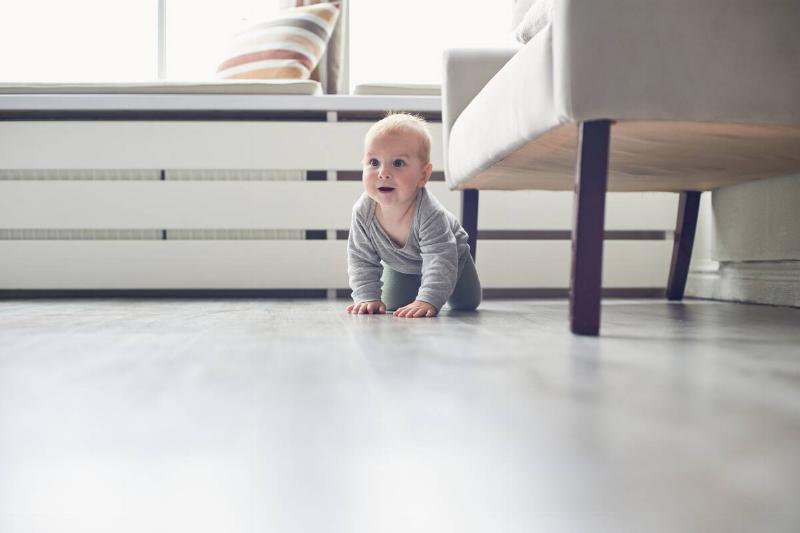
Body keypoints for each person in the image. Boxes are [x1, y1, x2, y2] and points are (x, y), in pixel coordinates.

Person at [346, 112, 481, 318]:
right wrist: (366, 297)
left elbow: (439, 259)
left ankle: (435, 291)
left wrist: (428, 300)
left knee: (466, 304)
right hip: (401, 265)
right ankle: (418, 289)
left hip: (452, 258)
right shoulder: (363, 213)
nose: (383, 173)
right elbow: (360, 258)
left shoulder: (430, 213)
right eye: (374, 163)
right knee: (392, 305)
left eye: (398, 163)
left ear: (423, 175)